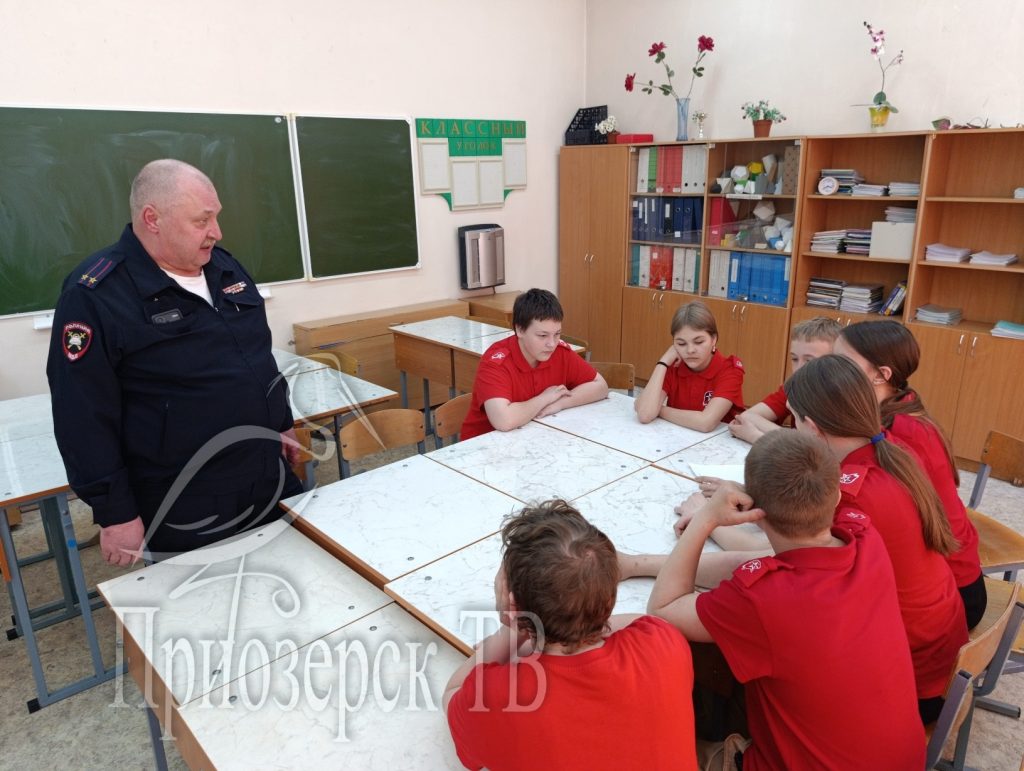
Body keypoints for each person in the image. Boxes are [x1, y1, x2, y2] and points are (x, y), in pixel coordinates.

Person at [47, 159, 303, 564]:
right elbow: (82, 414)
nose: (216, 232)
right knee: (209, 596)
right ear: (153, 219)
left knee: (301, 575)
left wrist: (281, 421)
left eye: (215, 217)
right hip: (184, 496)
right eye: (202, 221)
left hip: (264, 470)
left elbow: (256, 355)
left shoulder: (224, 267)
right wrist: (115, 512)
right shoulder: (97, 294)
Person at [648, 430, 925, 769]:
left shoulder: (763, 600)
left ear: (755, 513)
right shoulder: (865, 537)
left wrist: (706, 518)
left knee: (658, 745)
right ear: (837, 495)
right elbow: (779, 559)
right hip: (902, 758)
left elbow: (663, 608)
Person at [444, 500, 697, 771]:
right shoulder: (664, 644)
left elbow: (451, 694)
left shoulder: (494, 698)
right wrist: (570, 620)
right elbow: (643, 621)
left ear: (513, 604)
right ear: (610, 597)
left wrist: (515, 628)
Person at [786, 355, 968, 723]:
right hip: (939, 650)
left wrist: (711, 522)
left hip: (912, 685)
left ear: (813, 427)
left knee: (780, 636)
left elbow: (792, 558)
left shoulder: (852, 494)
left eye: (794, 420)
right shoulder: (892, 450)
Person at [834, 320, 985, 628]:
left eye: (843, 362)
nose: (832, 370)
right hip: (944, 575)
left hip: (954, 591)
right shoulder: (898, 406)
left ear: (881, 375)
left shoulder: (901, 431)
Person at [459, 289, 608, 440]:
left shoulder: (559, 352)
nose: (551, 344)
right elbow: (504, 421)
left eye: (557, 334)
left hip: (531, 437)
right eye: (542, 335)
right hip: (483, 445)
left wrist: (560, 403)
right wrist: (545, 398)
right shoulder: (496, 362)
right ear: (520, 330)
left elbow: (600, 386)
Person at [635, 300, 744, 431]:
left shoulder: (730, 370)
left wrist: (659, 410)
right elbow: (645, 414)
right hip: (676, 437)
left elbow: (705, 423)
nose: (690, 350)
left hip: (716, 442)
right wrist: (663, 362)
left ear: (713, 339)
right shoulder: (673, 365)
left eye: (698, 342)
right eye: (681, 343)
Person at [728, 316, 840, 443]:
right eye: (794, 359)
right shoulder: (794, 386)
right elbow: (746, 417)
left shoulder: (840, 399)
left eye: (809, 361)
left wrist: (756, 436)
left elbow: (816, 446)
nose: (798, 369)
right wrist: (789, 437)